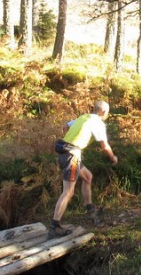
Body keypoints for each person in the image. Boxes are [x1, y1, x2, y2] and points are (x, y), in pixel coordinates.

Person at [50, 100, 118, 237]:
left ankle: (89, 209)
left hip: (67, 152)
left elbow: (65, 126)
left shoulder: (84, 117)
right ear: (104, 112)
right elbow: (105, 146)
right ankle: (54, 226)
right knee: (68, 192)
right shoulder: (98, 123)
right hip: (72, 155)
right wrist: (113, 157)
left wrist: (70, 139)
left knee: (88, 177)